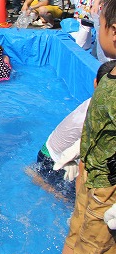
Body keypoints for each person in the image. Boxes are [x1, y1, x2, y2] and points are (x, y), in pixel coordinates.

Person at [60, 0, 116, 254]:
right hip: (91, 183)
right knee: (75, 237)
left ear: (114, 31)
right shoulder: (109, 78)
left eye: (99, 23)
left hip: (106, 193)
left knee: (92, 250)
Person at [32, 61, 116, 201]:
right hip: (53, 159)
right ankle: (38, 178)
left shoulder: (96, 101)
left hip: (48, 149)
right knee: (72, 201)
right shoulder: (102, 113)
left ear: (95, 83)